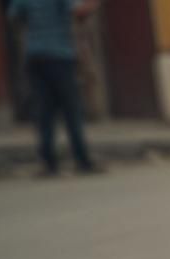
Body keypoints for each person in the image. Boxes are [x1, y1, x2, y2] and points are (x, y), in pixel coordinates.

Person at [7, 0, 100, 175]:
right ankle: (82, 160)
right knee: (72, 110)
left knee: (44, 111)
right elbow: (78, 11)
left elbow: (14, 15)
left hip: (35, 55)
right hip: (60, 56)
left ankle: (49, 162)